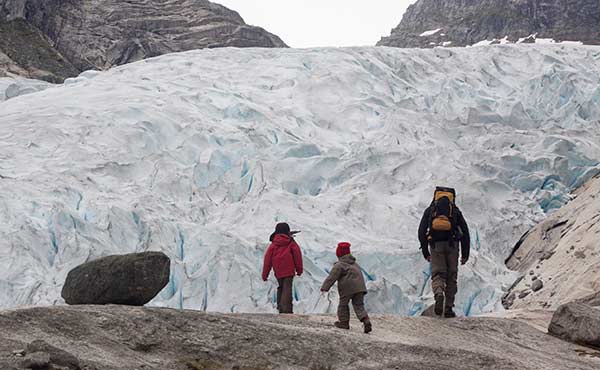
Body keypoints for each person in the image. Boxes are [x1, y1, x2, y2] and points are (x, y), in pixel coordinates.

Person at [418, 186, 470, 318]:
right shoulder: (455, 211)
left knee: (438, 275)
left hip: (436, 246)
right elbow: (465, 232)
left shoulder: (431, 210)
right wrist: (465, 254)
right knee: (451, 277)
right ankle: (448, 308)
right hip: (453, 245)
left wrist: (425, 251)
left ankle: (439, 293)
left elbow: (421, 231)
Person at [321, 242, 372, 333]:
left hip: (348, 288)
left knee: (343, 305)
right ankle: (365, 320)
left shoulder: (339, 265)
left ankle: (344, 323)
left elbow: (332, 277)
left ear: (339, 254)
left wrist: (325, 287)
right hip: (360, 287)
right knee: (359, 305)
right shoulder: (355, 264)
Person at [262, 222, 303, 314]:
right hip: (289, 270)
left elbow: (267, 260)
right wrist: (299, 269)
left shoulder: (273, 245)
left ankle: (280, 307)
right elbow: (297, 256)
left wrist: (265, 274)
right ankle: (286, 309)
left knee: (281, 287)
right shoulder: (291, 243)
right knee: (287, 288)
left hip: (278, 270)